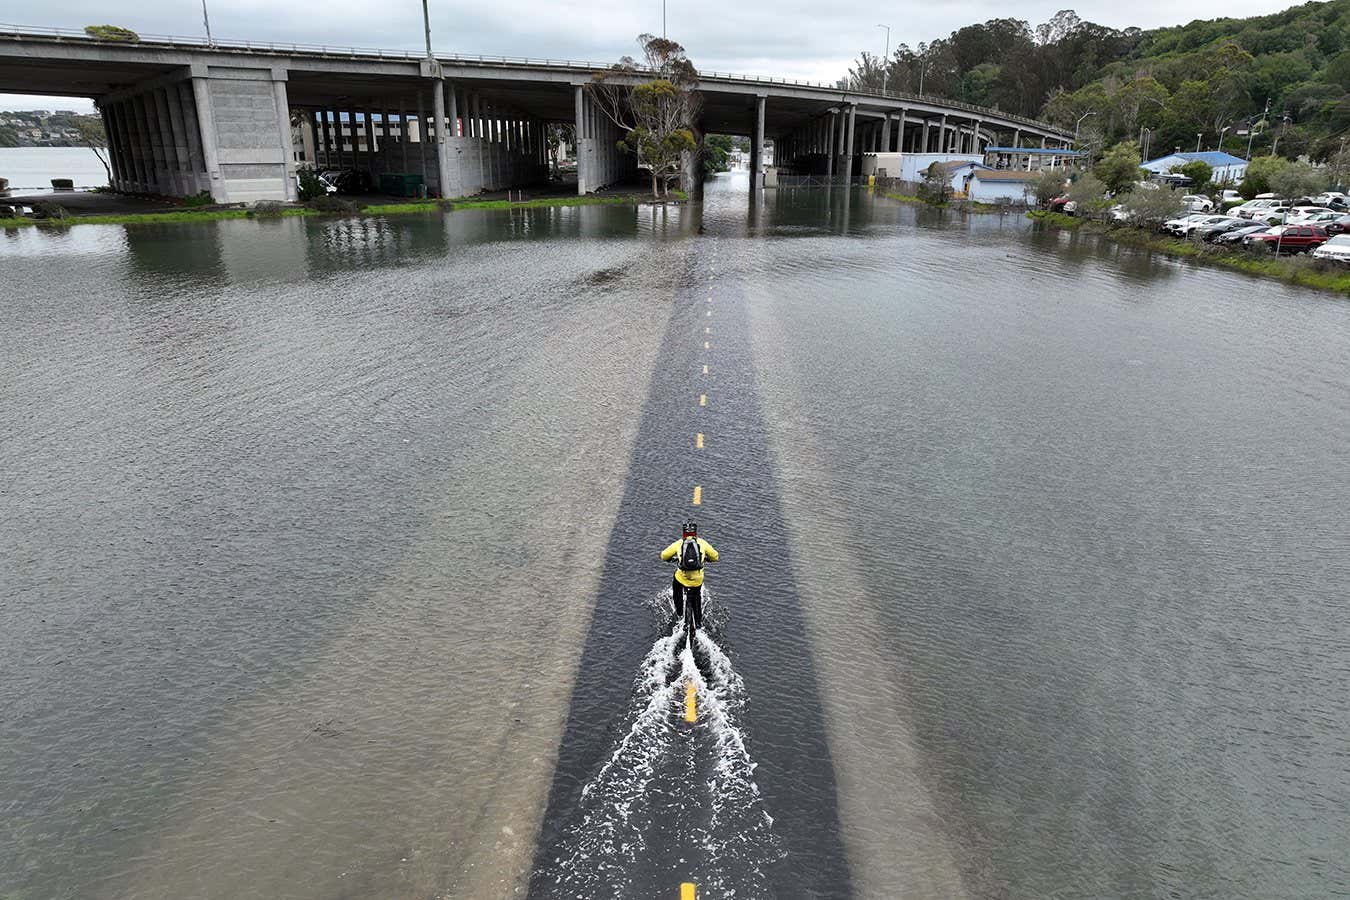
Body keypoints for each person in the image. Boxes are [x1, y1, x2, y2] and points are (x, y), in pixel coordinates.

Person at [660, 521, 719, 630]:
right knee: (697, 597)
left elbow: (663, 556)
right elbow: (715, 557)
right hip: (697, 580)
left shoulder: (679, 543)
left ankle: (679, 613)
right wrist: (706, 559)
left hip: (682, 578)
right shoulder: (702, 543)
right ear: (695, 533)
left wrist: (674, 558)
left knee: (677, 590)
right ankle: (698, 623)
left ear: (683, 534)